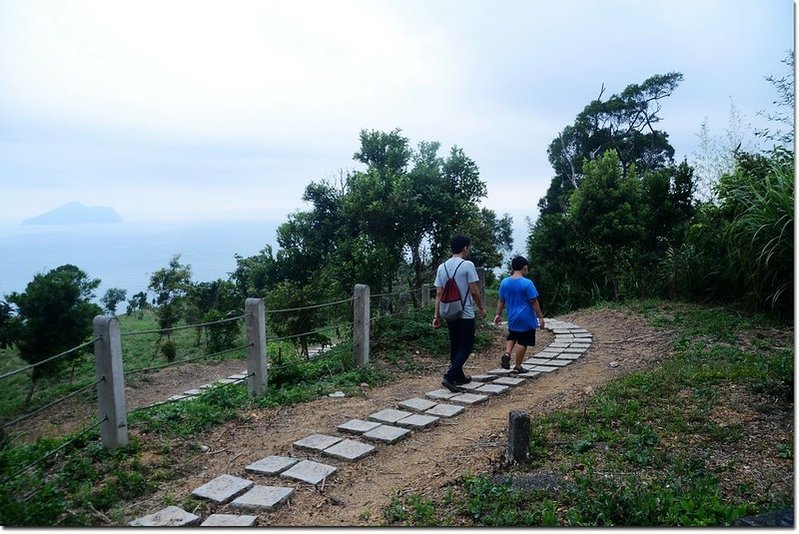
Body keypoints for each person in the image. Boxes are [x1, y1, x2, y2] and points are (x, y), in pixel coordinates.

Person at [433, 234, 487, 392]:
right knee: (467, 345)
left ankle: (459, 376)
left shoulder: (442, 267)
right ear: (465, 248)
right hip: (465, 312)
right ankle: (450, 377)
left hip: (449, 311)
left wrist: (436, 316)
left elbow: (438, 293)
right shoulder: (467, 265)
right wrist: (481, 308)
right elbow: (474, 291)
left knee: (455, 344)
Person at [493, 255, 545, 374]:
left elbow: (501, 300)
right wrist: (540, 317)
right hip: (526, 318)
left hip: (512, 317)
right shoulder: (527, 283)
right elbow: (533, 301)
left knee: (512, 336)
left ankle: (507, 353)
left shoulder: (504, 282)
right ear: (525, 268)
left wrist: (498, 314)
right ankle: (518, 366)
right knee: (523, 341)